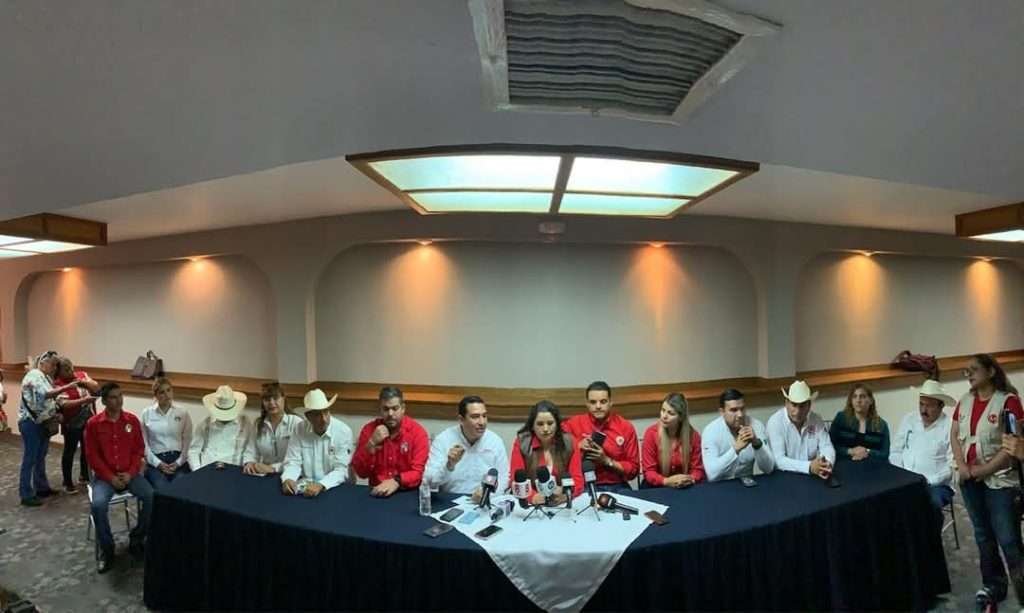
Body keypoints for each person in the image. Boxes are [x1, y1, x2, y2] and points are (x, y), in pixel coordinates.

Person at [951, 353, 1024, 607]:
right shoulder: (964, 401)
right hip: (970, 480)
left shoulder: (1008, 402)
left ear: (991, 371)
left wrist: (985, 469)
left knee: (1008, 539)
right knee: (983, 535)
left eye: (973, 369)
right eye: (966, 371)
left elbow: (1013, 445)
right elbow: (954, 435)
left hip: (1000, 481)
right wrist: (962, 466)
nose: (968, 374)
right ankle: (993, 585)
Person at [84, 383, 153, 573]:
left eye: (120, 395)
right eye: (114, 397)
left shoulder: (131, 420)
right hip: (105, 478)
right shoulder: (93, 424)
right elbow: (92, 456)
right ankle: (107, 549)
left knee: (151, 496)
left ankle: (136, 539)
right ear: (104, 401)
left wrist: (130, 473)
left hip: (130, 474)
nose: (119, 400)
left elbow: (138, 450)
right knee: (98, 505)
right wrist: (110, 477)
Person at [18, 351, 80, 507]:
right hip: (30, 423)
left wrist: (57, 410)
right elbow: (45, 394)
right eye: (52, 364)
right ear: (42, 363)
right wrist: (67, 387)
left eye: (55, 365)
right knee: (30, 458)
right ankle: (26, 494)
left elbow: (50, 400)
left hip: (42, 422)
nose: (54, 368)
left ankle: (42, 488)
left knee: (40, 456)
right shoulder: (34, 375)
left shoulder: (45, 377)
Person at [889, 379, 955, 526]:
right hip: (905, 481)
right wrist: (902, 475)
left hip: (936, 485)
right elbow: (895, 450)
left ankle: (929, 540)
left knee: (927, 505)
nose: (923, 410)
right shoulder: (909, 419)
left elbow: (952, 466)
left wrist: (928, 480)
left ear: (941, 406)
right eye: (921, 404)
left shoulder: (950, 427)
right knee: (885, 501)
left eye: (929, 405)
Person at [423, 395, 508, 498]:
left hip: (484, 499)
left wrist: (488, 495)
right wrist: (449, 466)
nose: (482, 422)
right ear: (461, 419)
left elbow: (503, 478)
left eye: (484, 416)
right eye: (475, 417)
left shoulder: (495, 441)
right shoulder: (443, 440)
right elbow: (429, 481)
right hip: (450, 499)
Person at [351, 386, 429, 497]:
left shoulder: (417, 433)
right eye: (386, 409)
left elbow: (419, 473)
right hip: (377, 492)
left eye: (395, 408)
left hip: (407, 492)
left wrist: (397, 481)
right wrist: (371, 445)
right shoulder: (369, 430)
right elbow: (361, 473)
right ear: (380, 409)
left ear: (403, 408)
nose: (390, 414)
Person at [563, 381, 639, 493]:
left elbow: (634, 470)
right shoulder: (572, 424)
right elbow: (558, 456)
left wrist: (607, 461)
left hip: (617, 485)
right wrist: (577, 447)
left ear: (610, 403)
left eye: (603, 402)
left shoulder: (625, 427)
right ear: (587, 404)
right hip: (583, 485)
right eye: (593, 402)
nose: (598, 406)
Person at [508, 400, 584, 505]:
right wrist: (533, 497)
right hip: (531, 504)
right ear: (532, 426)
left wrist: (565, 494)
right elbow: (515, 479)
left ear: (557, 424)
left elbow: (578, 480)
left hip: (561, 502)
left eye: (550, 423)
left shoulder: (570, 442)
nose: (545, 429)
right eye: (540, 424)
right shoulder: (522, 443)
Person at [281, 389, 354, 497]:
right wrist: (288, 478)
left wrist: (321, 484)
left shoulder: (343, 431)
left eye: (326, 412)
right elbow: (293, 461)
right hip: (305, 489)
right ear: (308, 416)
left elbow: (342, 469)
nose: (324, 419)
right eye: (317, 415)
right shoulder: (299, 429)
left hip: (334, 488)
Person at [701, 388, 775, 481]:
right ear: (722, 412)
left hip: (747, 483)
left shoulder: (756, 425)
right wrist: (736, 449)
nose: (740, 414)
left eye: (742, 409)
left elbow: (769, 469)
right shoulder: (710, 431)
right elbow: (712, 474)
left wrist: (757, 444)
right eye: (733, 410)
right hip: (721, 484)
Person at [767, 380, 835, 479]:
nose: (798, 411)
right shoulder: (775, 422)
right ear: (786, 403)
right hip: (783, 477)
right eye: (794, 405)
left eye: (802, 406)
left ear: (809, 405)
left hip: (811, 476)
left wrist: (826, 464)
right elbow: (779, 460)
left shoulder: (816, 419)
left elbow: (827, 446)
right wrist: (809, 467)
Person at [53, 357, 100, 493]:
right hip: (72, 421)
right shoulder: (58, 384)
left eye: (71, 368)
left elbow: (96, 388)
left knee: (87, 449)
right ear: (59, 372)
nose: (70, 371)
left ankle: (84, 475)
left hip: (89, 419)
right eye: (66, 370)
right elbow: (64, 404)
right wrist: (84, 400)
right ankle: (67, 482)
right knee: (70, 451)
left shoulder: (81, 375)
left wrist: (83, 382)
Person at [642, 392, 705, 488]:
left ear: (680, 417)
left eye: (670, 413)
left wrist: (689, 479)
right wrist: (666, 481)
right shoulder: (651, 434)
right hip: (658, 485)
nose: (664, 416)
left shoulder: (693, 436)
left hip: (684, 485)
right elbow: (649, 472)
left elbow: (698, 470)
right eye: (663, 410)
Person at [140, 377, 193, 490]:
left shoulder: (182, 413)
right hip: (156, 460)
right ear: (156, 395)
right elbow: (144, 444)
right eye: (162, 392)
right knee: (162, 489)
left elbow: (188, 441)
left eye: (169, 390)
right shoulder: (146, 414)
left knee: (180, 487)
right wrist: (158, 463)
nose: (167, 395)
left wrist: (179, 462)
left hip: (178, 459)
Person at [189, 385, 255, 469]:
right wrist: (198, 470)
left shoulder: (245, 424)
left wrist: (248, 463)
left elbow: (250, 450)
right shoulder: (205, 424)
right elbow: (194, 451)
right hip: (207, 469)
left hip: (234, 470)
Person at [244, 382, 302, 476]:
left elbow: (300, 459)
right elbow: (250, 451)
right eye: (267, 399)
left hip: (290, 475)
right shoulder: (258, 424)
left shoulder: (296, 422)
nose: (271, 403)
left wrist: (273, 468)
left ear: (283, 398)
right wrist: (249, 462)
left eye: (275, 398)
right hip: (264, 474)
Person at [829, 383, 890, 462]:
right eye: (855, 397)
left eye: (862, 396)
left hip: (872, 464)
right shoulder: (841, 418)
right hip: (844, 462)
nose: (858, 400)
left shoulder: (881, 425)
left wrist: (867, 451)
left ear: (871, 400)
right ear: (851, 401)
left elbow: (885, 453)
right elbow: (830, 446)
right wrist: (850, 451)